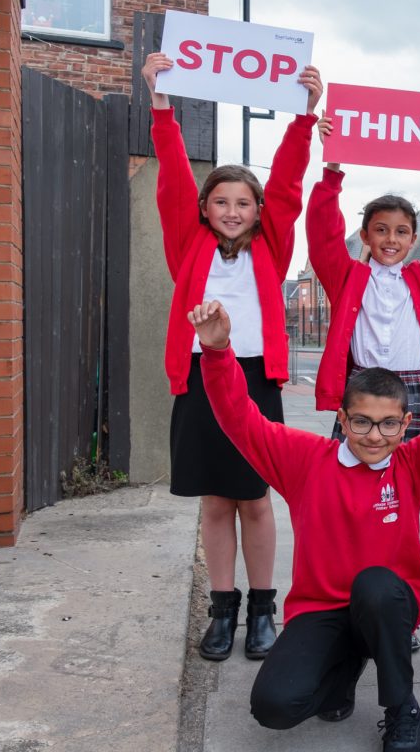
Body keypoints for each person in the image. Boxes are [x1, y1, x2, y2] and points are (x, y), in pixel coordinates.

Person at [189, 301, 420, 752]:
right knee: (273, 706)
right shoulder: (307, 460)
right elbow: (240, 419)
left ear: (406, 424)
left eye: (389, 423)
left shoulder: (414, 464)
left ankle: (402, 708)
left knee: (376, 585)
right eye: (362, 421)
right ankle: (345, 668)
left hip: (390, 603)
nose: (374, 435)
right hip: (321, 609)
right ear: (343, 419)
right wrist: (217, 352)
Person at [142, 51, 322, 661]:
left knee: (255, 497)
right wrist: (161, 106)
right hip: (200, 377)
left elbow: (290, 185)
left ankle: (264, 609)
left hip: (254, 380)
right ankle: (223, 612)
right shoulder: (187, 242)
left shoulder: (271, 243)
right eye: (221, 202)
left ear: (257, 211)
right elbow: (170, 177)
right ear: (205, 209)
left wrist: (303, 118)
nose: (232, 211)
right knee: (215, 500)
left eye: (243, 203)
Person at [307, 117, 420, 442]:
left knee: (412, 476)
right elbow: (322, 232)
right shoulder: (348, 277)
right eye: (381, 230)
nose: (391, 239)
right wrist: (333, 165)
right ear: (365, 235)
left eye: (401, 232)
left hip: (413, 389)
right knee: (354, 473)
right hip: (362, 384)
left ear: (413, 240)